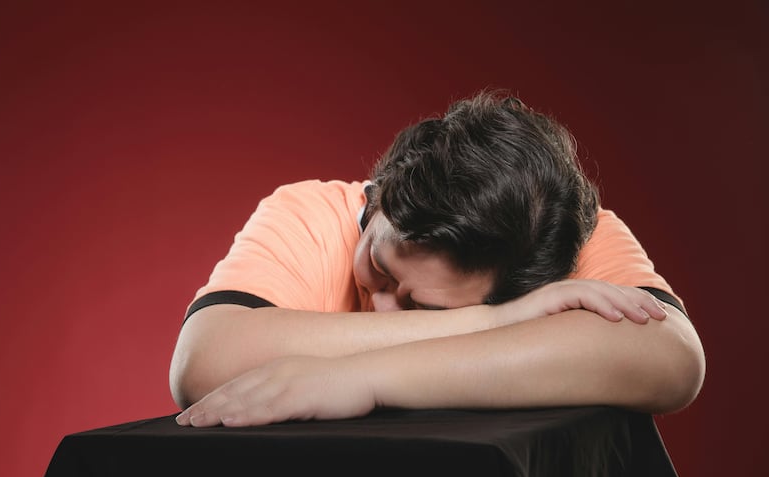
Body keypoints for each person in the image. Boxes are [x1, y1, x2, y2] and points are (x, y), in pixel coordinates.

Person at [171, 90, 705, 428]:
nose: (382, 308)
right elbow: (205, 363)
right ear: (379, 195)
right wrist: (493, 322)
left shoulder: (567, 237)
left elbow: (672, 361)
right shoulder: (308, 211)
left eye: (428, 310)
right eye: (379, 269)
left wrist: (362, 380)